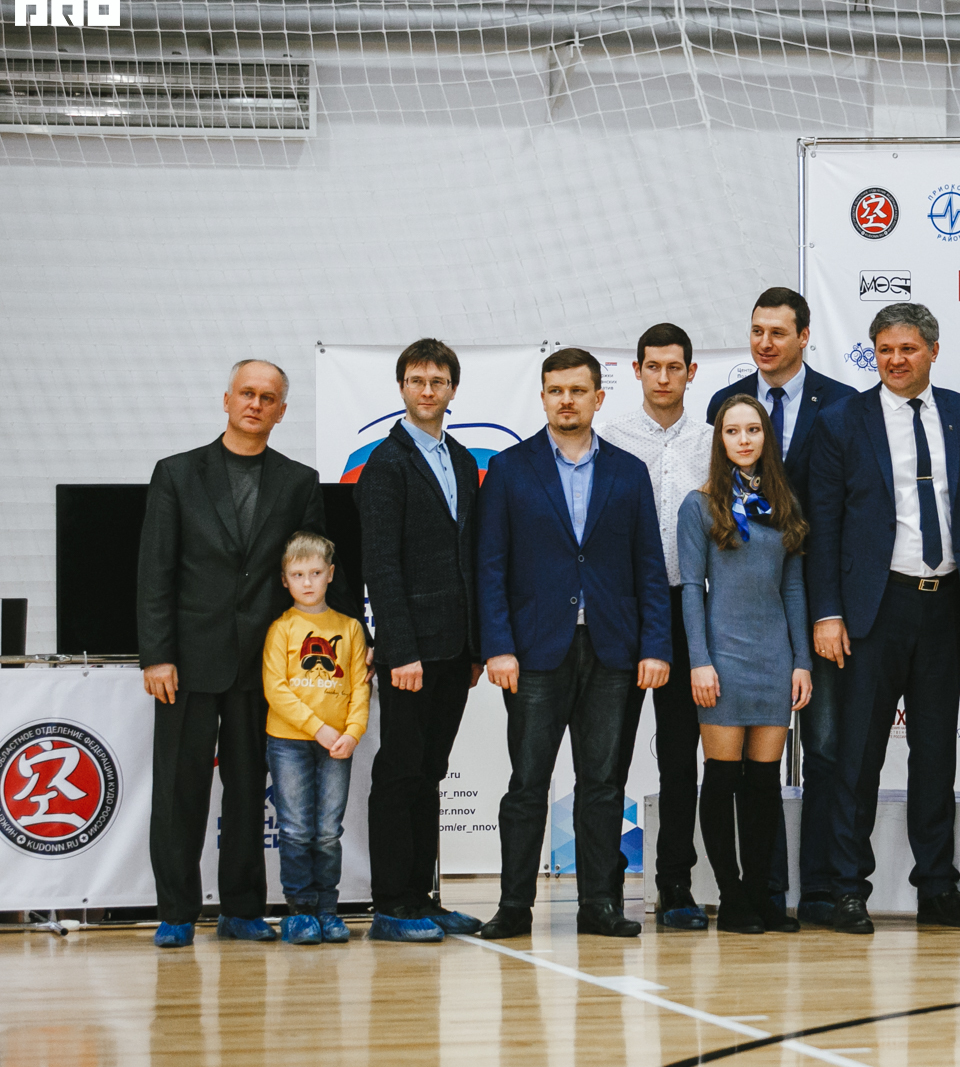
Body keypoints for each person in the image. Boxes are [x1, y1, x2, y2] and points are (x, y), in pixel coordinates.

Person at [138, 360, 352, 949]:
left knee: (247, 789)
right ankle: (176, 912)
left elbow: (310, 576)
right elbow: (155, 570)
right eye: (247, 393)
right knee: (179, 790)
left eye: (268, 397)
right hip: (186, 661)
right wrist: (157, 655)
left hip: (264, 665)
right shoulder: (177, 473)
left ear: (281, 411)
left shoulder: (299, 481)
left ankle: (241, 909)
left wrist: (325, 651)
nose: (256, 404)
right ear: (227, 399)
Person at [475, 347, 672, 940]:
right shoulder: (509, 469)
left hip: (613, 651)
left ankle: (600, 905)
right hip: (534, 652)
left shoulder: (628, 472)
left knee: (603, 785)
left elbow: (649, 568)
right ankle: (514, 906)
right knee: (527, 785)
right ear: (542, 397)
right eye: (556, 390)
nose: (567, 400)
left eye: (578, 390)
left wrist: (655, 646)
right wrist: (498, 646)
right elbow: (490, 566)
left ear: (598, 398)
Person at [808, 302, 960, 935]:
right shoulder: (841, 420)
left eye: (907, 348)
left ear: (932, 350)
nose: (895, 360)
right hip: (871, 611)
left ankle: (937, 887)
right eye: (884, 349)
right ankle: (847, 889)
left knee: (936, 754)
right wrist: (827, 613)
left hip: (944, 605)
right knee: (858, 756)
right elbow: (823, 524)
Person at [707, 288, 855, 924]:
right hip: (741, 615)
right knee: (741, 772)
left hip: (818, 604)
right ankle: (758, 893)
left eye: (777, 332)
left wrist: (826, 612)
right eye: (756, 331)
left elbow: (845, 509)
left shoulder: (842, 404)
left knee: (823, 749)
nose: (764, 343)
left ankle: (818, 889)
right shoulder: (726, 402)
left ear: (804, 336)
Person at [356, 338, 485, 944]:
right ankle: (392, 905)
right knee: (401, 771)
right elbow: (380, 565)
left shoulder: (460, 458)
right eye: (416, 380)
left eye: (437, 381)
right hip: (411, 652)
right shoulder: (386, 463)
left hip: (454, 649)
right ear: (402, 388)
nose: (427, 390)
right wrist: (399, 650)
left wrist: (476, 648)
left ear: (452, 389)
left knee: (431, 771)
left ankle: (424, 897)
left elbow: (470, 556)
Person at [678, 395, 813, 934]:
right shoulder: (699, 505)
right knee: (721, 778)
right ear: (719, 440)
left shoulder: (785, 503)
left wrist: (801, 661)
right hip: (722, 658)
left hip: (773, 658)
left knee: (762, 784)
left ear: (765, 437)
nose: (743, 439)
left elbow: (794, 588)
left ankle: (761, 894)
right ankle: (731, 896)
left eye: (752, 430)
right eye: (732, 431)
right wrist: (699, 661)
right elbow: (692, 588)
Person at [602, 323, 713, 930]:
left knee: (679, 754)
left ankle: (675, 883)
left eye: (675, 367)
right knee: (609, 751)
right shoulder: (609, 438)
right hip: (622, 608)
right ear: (637, 370)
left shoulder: (714, 441)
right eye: (653, 366)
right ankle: (604, 880)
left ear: (691, 372)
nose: (663, 377)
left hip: (689, 607)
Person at [261, 532, 370, 945]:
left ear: (331, 574)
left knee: (327, 831)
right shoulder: (281, 629)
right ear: (285, 580)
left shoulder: (350, 628)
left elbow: (360, 687)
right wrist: (319, 729)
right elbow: (276, 689)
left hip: (338, 745)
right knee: (294, 829)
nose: (307, 582)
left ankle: (327, 909)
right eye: (298, 574)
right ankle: (300, 911)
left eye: (315, 573)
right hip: (289, 743)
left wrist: (352, 732)